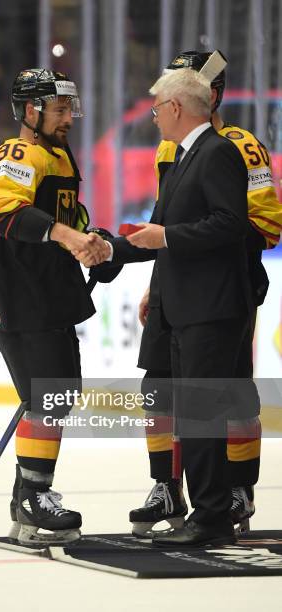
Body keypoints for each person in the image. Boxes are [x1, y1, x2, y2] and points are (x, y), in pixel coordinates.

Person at [76, 67, 254, 546]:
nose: (153, 118)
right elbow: (154, 232)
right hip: (183, 307)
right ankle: (207, 513)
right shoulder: (182, 157)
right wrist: (110, 248)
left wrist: (169, 237)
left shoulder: (217, 152)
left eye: (156, 109)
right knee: (189, 415)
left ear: (176, 108)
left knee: (201, 415)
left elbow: (231, 225)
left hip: (211, 307)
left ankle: (212, 517)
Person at [129, 51, 282, 539]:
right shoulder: (171, 149)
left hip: (217, 291)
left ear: (203, 96)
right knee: (159, 388)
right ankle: (167, 485)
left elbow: (263, 226)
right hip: (178, 289)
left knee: (224, 397)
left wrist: (198, 250)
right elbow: (163, 221)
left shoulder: (235, 148)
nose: (155, 114)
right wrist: (157, 279)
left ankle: (234, 490)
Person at [0, 68, 111, 545]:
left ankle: (26, 497)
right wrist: (69, 235)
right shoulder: (16, 153)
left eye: (70, 109)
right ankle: (34, 498)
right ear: (31, 111)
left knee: (58, 394)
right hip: (18, 294)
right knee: (48, 398)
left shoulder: (57, 157)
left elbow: (67, 219)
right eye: (59, 109)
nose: (69, 118)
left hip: (48, 291)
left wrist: (92, 243)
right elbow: (3, 211)